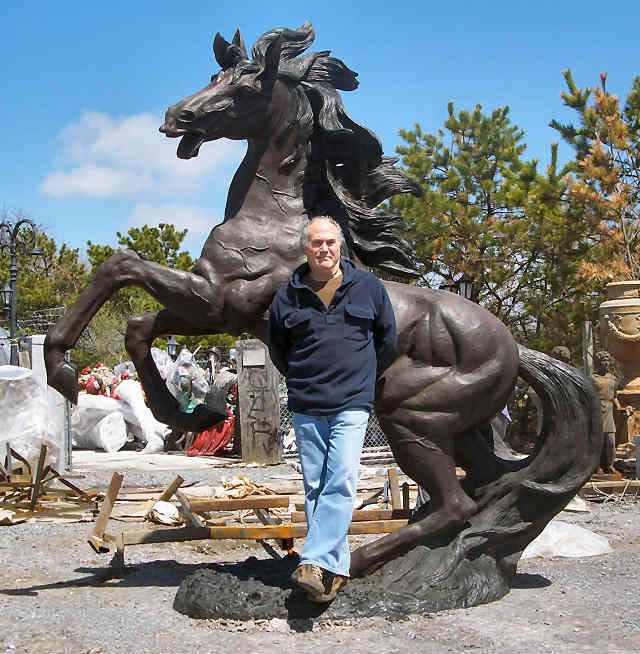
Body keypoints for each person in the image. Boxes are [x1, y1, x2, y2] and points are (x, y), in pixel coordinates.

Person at [268, 216, 397, 602]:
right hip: (308, 404)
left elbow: (386, 340)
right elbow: (279, 350)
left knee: (340, 480)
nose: (323, 249)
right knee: (315, 487)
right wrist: (303, 379)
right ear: (304, 248)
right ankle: (329, 575)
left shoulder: (368, 287)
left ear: (340, 246)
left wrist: (361, 377)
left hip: (352, 403)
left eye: (329, 242)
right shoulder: (286, 296)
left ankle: (313, 560)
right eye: (315, 243)